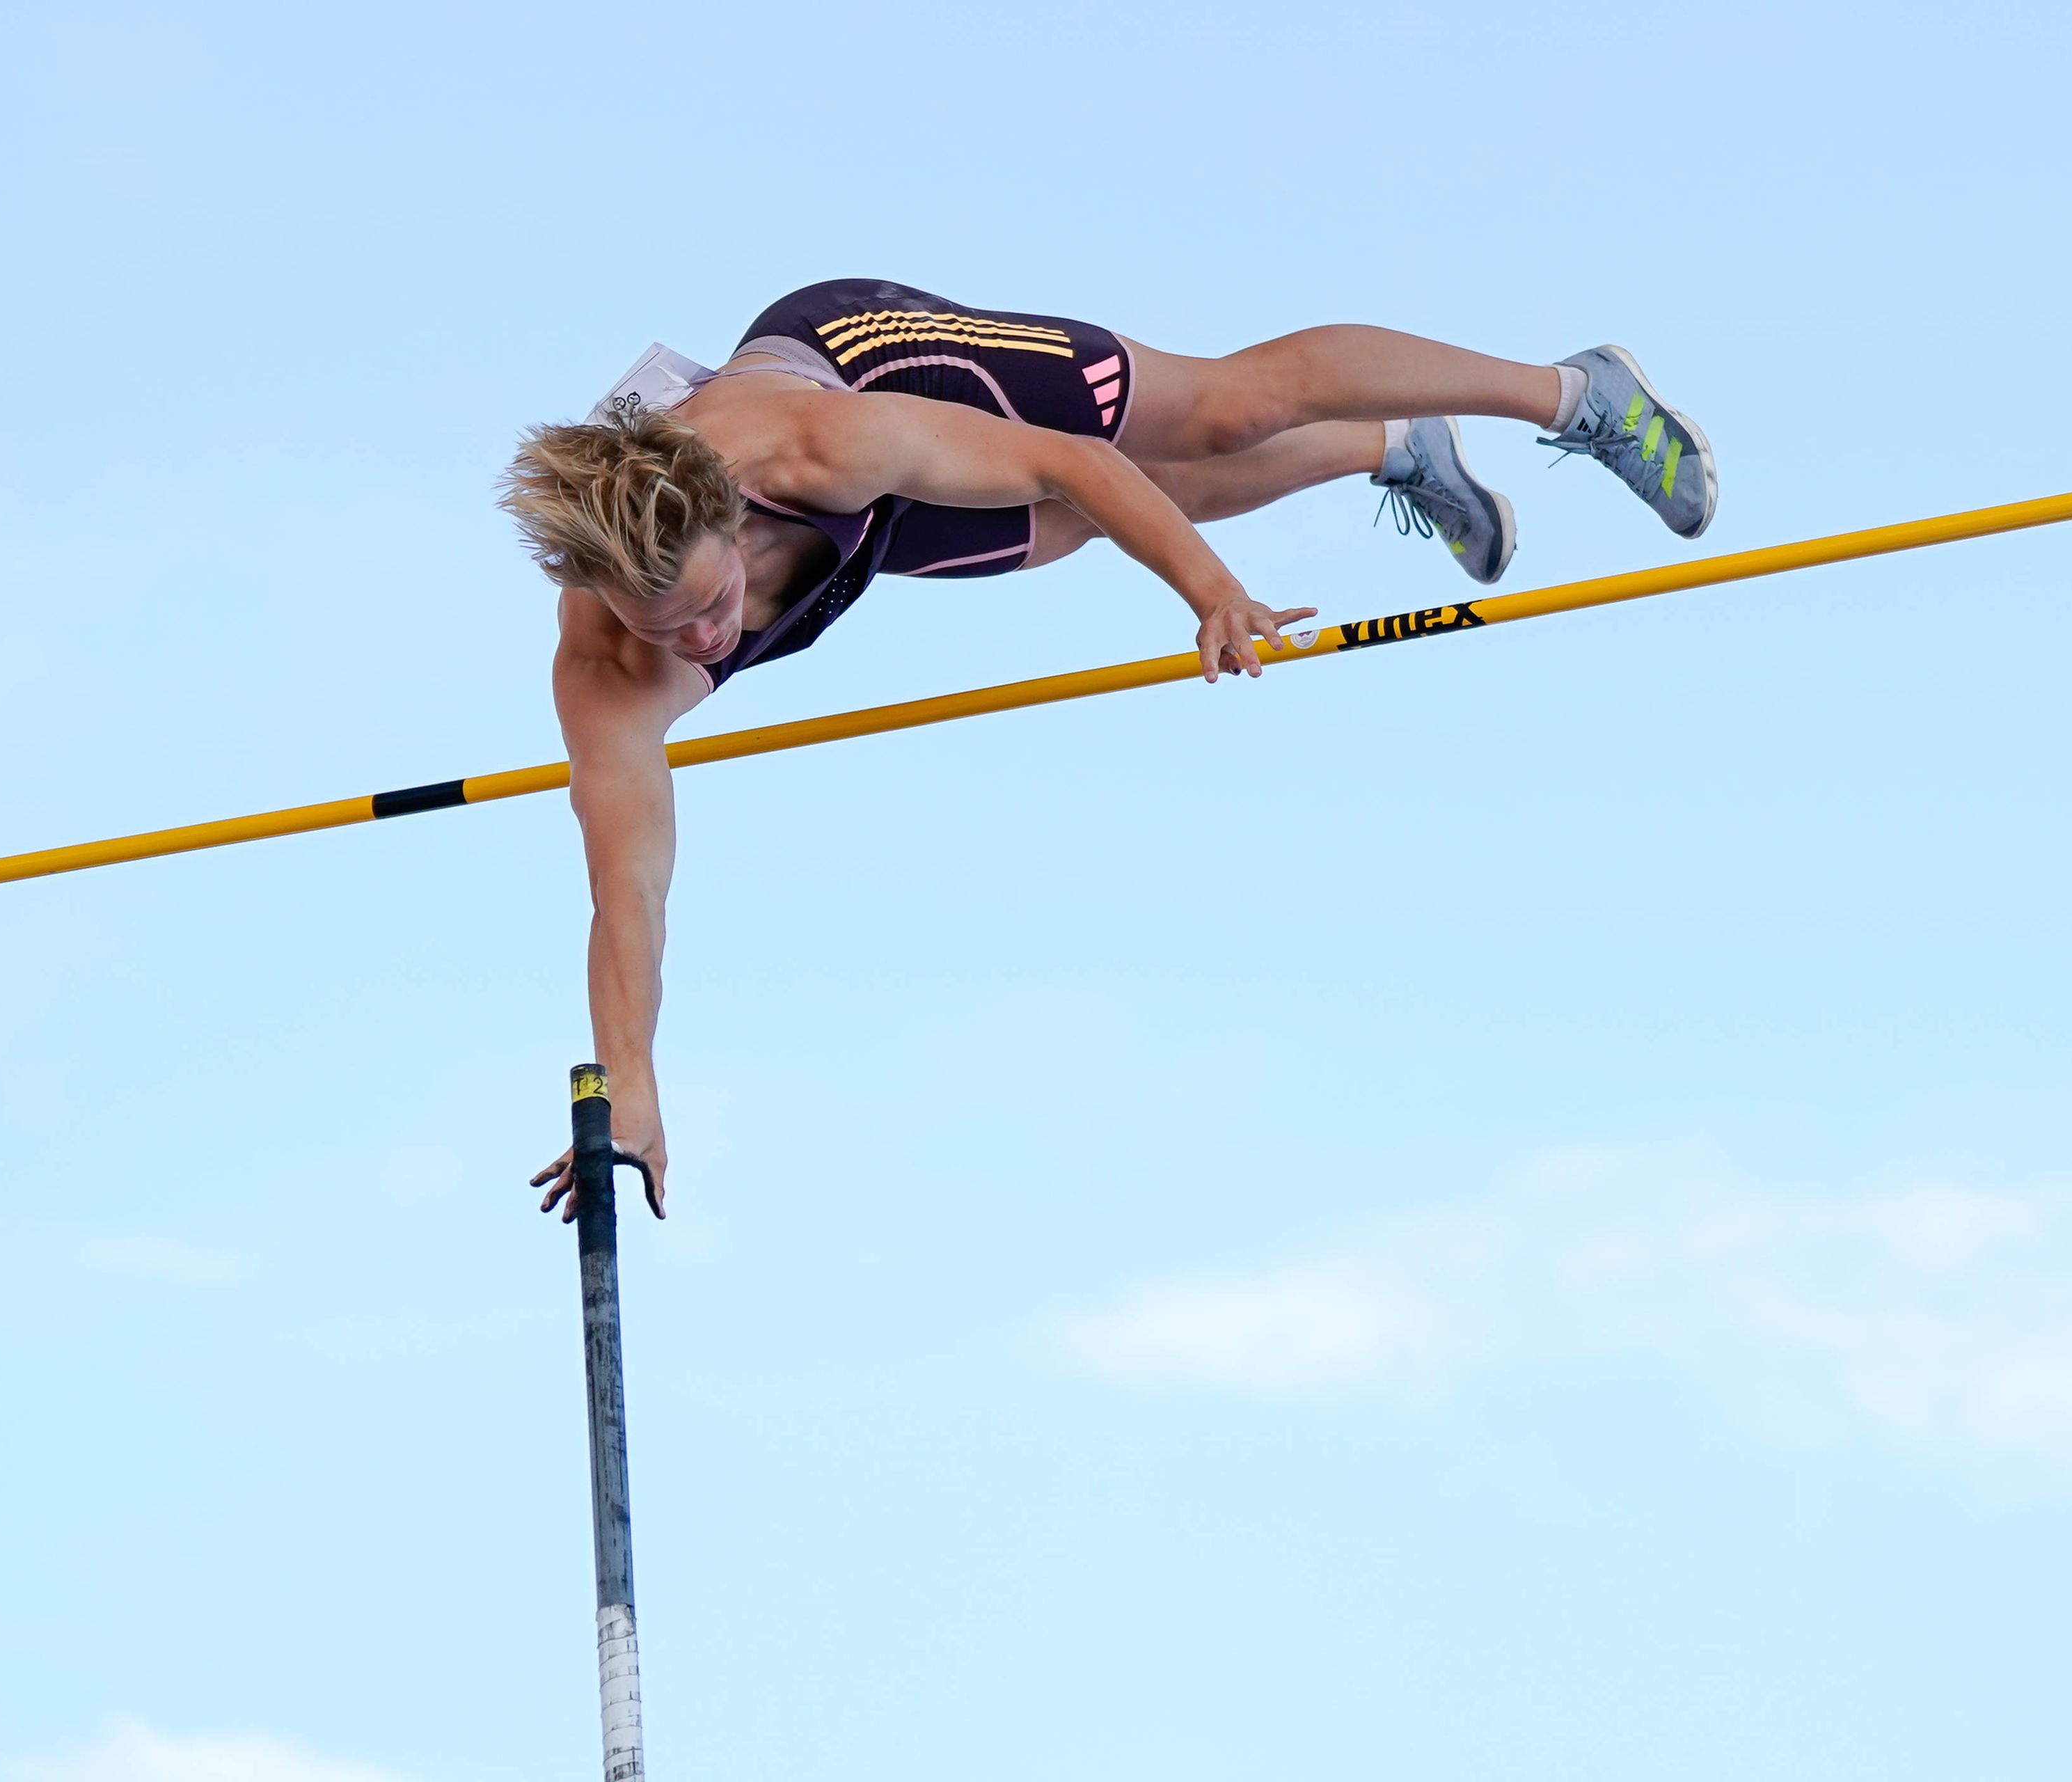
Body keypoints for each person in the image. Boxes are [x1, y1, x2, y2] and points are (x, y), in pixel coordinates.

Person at [511, 277, 1715, 1220]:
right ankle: (1395, 446)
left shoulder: (818, 451)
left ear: (728, 518)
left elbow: (1070, 456)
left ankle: (1574, 391)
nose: (710, 639)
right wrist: (634, 1095)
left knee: (1221, 413)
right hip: (858, 521)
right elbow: (629, 888)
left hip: (870, 360)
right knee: (1089, 527)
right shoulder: (611, 673)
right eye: (672, 629)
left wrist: (1213, 595)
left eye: (713, 604)